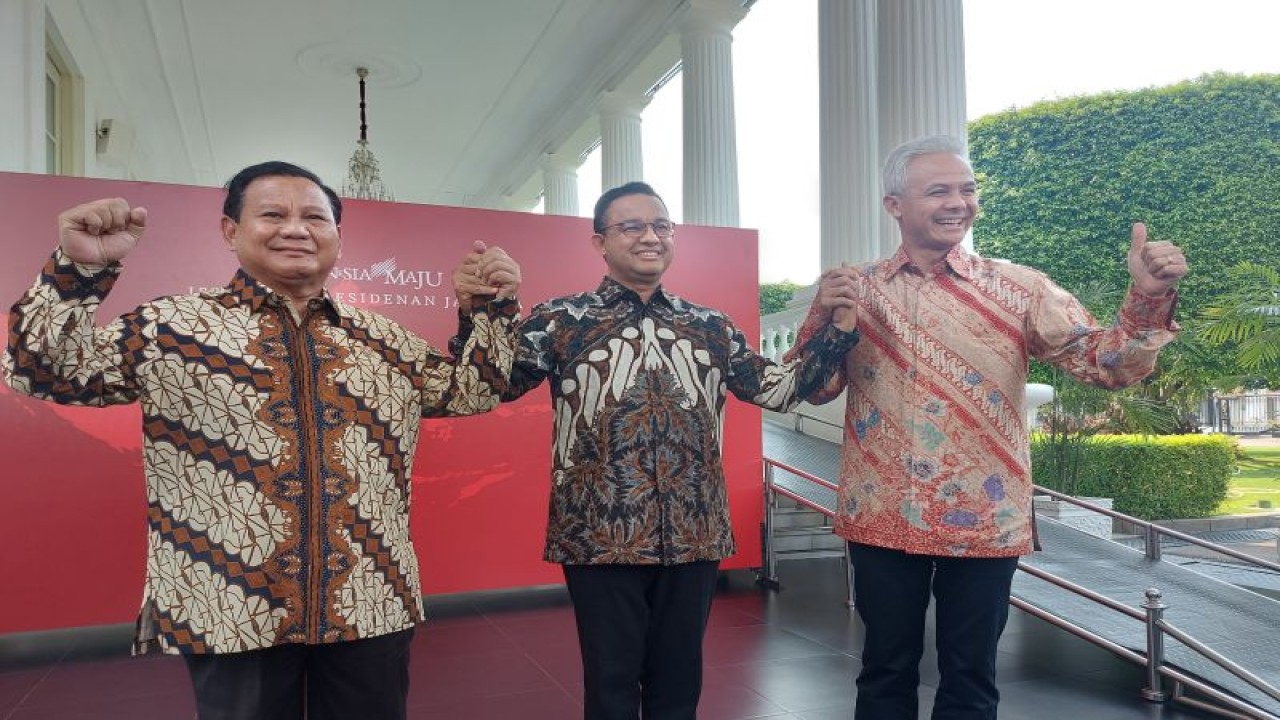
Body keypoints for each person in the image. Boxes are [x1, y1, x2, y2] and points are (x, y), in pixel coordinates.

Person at [2, 161, 522, 720]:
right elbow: (43, 371)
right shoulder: (170, 327)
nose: (295, 228)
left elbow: (473, 392)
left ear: (338, 239)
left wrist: (487, 310)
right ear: (231, 232)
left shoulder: (384, 338)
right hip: (230, 602)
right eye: (272, 214)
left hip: (370, 597)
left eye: (314, 217)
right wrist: (78, 272)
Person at [788, 135, 1188, 719]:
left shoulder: (1020, 289)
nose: (959, 202)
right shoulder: (857, 289)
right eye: (939, 191)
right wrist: (829, 319)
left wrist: (1148, 300)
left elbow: (1109, 367)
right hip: (883, 514)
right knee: (884, 672)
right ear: (894, 205)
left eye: (968, 189)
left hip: (983, 515)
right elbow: (810, 387)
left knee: (973, 677)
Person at [482, 181, 860, 719]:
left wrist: (836, 329)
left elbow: (777, 389)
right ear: (600, 243)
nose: (649, 237)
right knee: (610, 685)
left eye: (660, 226)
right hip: (598, 535)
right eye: (631, 226)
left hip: (694, 531)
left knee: (679, 685)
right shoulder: (559, 320)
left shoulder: (708, 325)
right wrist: (489, 310)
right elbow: (491, 384)